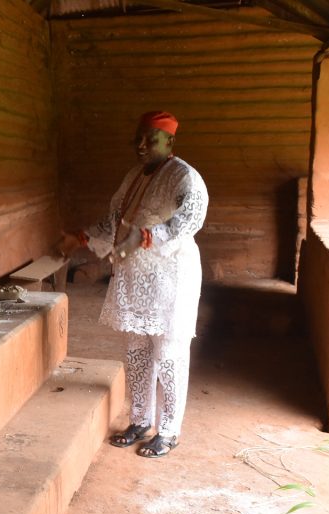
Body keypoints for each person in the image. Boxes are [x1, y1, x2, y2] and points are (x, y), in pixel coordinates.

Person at [58, 111, 208, 458]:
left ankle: (169, 430)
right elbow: (114, 220)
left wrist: (144, 237)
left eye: (150, 138)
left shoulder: (184, 177)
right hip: (137, 277)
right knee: (138, 353)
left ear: (169, 141)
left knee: (169, 354)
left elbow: (189, 220)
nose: (140, 145)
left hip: (172, 277)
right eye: (138, 137)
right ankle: (140, 420)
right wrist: (80, 238)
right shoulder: (133, 176)